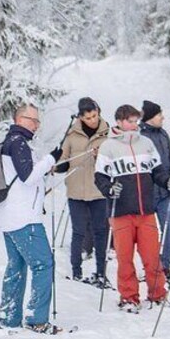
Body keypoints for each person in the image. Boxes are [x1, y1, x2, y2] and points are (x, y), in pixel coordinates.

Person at [94, 105, 170, 312]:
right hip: (121, 212)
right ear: (119, 122)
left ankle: (157, 294)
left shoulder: (146, 143)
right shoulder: (108, 146)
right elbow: (100, 177)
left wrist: (167, 180)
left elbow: (157, 171)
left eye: (136, 121)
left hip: (145, 211)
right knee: (125, 259)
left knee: (152, 258)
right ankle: (129, 297)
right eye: (130, 121)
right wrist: (109, 188)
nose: (134, 125)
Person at [0, 103, 65, 334]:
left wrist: (48, 167)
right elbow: (27, 177)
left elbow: (25, 175)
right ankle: (37, 320)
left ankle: (9, 318)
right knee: (43, 264)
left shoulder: (8, 143)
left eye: (38, 121)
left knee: (16, 267)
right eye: (33, 120)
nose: (37, 125)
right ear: (20, 119)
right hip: (24, 219)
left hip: (9, 218)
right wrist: (50, 159)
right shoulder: (18, 143)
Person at [55, 97, 111, 287]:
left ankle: (101, 273)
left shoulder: (107, 134)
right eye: (88, 118)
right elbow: (63, 161)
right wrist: (55, 166)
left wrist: (100, 156)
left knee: (100, 232)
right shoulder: (72, 135)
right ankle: (76, 271)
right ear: (81, 117)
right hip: (76, 192)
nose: (93, 120)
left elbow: (113, 163)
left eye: (95, 116)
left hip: (98, 192)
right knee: (78, 231)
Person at [139, 100, 170, 280]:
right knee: (148, 234)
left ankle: (164, 265)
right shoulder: (139, 135)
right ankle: (151, 266)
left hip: (165, 192)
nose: (162, 117)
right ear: (149, 117)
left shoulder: (163, 134)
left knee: (169, 229)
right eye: (158, 114)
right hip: (146, 193)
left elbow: (169, 158)